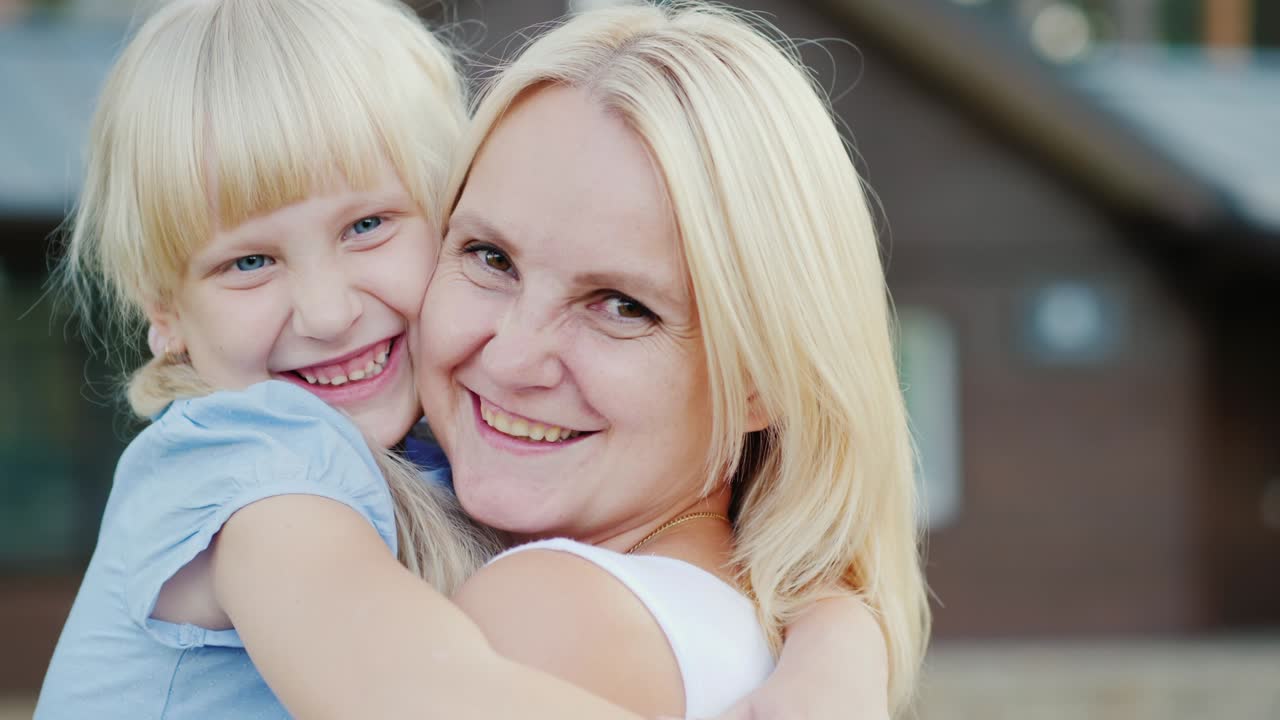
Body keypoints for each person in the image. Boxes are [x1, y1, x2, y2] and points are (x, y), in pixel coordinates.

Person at [37, 0, 913, 717]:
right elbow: (411, 694)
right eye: (493, 259)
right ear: (163, 312)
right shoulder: (250, 454)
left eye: (369, 227)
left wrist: (840, 644)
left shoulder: (463, 507)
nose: (330, 309)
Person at [425, 2, 930, 717]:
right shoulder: (760, 638)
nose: (512, 357)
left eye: (622, 305)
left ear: (762, 381)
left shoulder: (547, 615)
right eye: (490, 257)